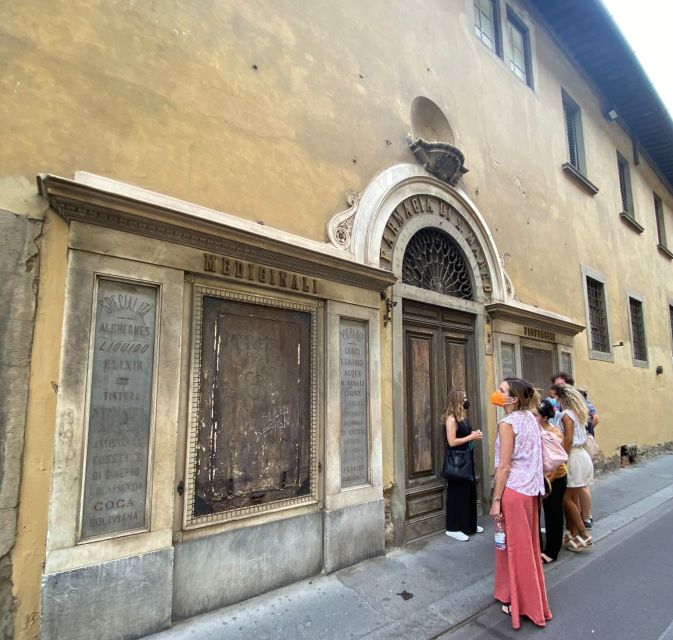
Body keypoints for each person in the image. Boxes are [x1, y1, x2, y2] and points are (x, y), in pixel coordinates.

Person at [490, 377, 551, 629]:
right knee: (525, 545)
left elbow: (504, 467)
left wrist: (495, 500)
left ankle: (523, 604)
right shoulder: (530, 419)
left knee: (516, 549)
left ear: (513, 399)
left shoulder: (507, 423)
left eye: (502, 391)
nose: (497, 393)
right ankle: (508, 592)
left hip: (513, 491)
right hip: (530, 491)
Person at [551, 372, 599, 529]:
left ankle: (582, 532)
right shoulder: (577, 411)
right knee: (574, 496)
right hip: (581, 455)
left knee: (567, 498)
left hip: (574, 457)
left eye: (556, 397)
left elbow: (569, 439)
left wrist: (561, 457)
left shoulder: (566, 414)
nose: (554, 400)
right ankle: (575, 531)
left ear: (562, 397)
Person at [442, 389, 484, 541]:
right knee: (456, 494)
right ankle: (452, 528)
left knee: (469, 492)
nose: (467, 400)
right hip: (457, 463)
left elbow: (464, 435)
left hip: (466, 460)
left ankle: (469, 525)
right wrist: (471, 436)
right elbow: (452, 442)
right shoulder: (451, 419)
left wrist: (474, 433)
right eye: (464, 398)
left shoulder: (462, 417)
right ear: (457, 400)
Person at [537, 399, 567, 564]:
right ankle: (539, 548)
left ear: (544, 417)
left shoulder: (554, 433)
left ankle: (552, 550)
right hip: (541, 477)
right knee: (541, 513)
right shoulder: (536, 430)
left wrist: (548, 481)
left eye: (535, 414)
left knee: (553, 514)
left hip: (555, 478)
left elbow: (557, 462)